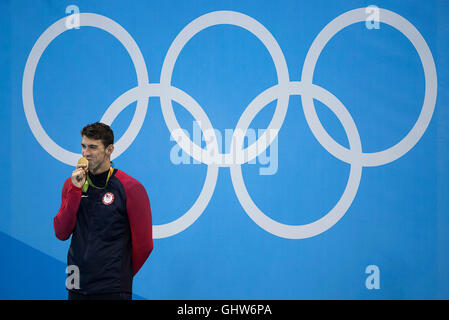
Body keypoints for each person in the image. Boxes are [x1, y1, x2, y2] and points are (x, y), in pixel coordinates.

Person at [53, 122, 153, 300]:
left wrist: (120, 274)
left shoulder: (130, 187)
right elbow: (61, 232)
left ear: (109, 149)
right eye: (83, 146)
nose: (86, 153)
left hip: (112, 288)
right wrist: (75, 190)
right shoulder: (72, 184)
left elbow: (144, 245)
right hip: (76, 285)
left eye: (93, 147)